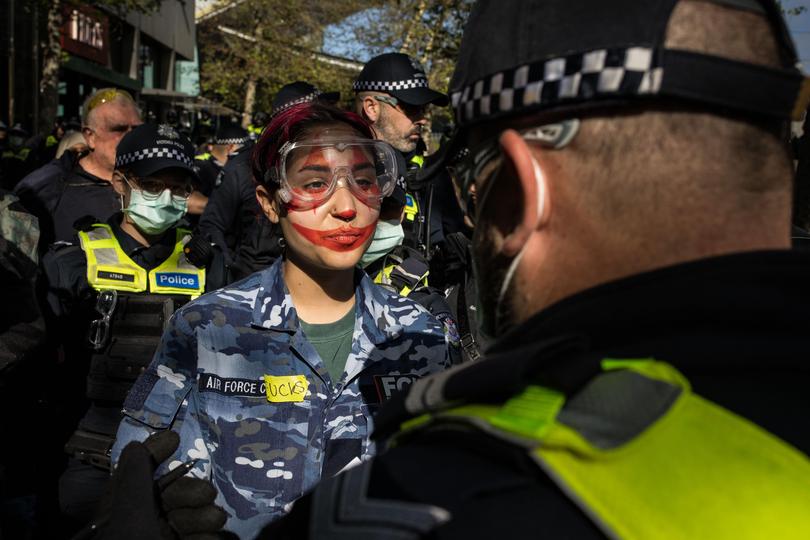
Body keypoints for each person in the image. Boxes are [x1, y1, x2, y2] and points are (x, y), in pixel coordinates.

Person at [110, 102, 454, 538]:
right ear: (270, 204)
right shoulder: (206, 327)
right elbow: (141, 469)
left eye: (364, 182)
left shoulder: (423, 333)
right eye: (315, 184)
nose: (346, 207)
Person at [40, 123, 227, 529]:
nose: (166, 197)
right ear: (120, 182)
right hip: (91, 451)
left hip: (178, 452)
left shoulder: (206, 262)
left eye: (178, 188)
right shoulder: (74, 258)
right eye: (153, 184)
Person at [197, 82, 337, 282]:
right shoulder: (244, 165)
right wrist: (226, 272)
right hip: (254, 288)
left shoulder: (335, 163)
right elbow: (212, 224)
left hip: (316, 286)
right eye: (315, 115)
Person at [13, 88, 142, 251]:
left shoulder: (161, 183)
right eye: (118, 129)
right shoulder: (47, 188)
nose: (131, 137)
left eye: (136, 130)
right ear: (90, 136)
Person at [354, 53, 451, 258]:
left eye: (424, 108)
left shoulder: (430, 172)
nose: (422, 119)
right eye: (412, 107)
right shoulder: (334, 167)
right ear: (372, 107)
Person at [193, 122, 249, 197]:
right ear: (231, 148)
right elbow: (189, 200)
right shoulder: (202, 167)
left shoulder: (224, 168)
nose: (246, 154)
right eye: (243, 150)